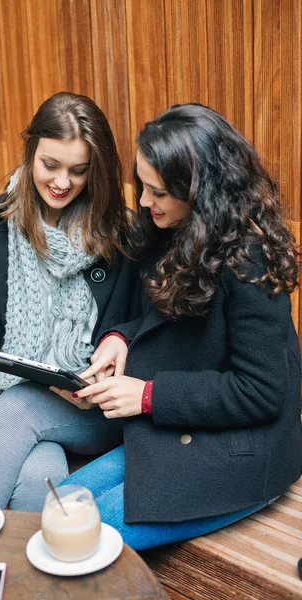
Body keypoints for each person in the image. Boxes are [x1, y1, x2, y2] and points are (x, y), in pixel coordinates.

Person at [62, 102, 302, 550]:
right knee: (56, 510)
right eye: (142, 186)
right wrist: (120, 338)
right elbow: (175, 319)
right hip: (186, 425)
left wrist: (148, 396)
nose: (143, 201)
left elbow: (262, 392)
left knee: (87, 537)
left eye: (157, 191)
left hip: (244, 446)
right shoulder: (178, 226)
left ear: (199, 191)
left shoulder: (250, 257)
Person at [0, 91, 141, 511]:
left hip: (90, 410)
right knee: (35, 483)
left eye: (79, 171)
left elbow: (148, 323)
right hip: (10, 393)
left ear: (96, 171)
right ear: (30, 152)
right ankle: (5, 576)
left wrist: (121, 339)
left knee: (14, 411)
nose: (62, 182)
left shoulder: (123, 236)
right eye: (50, 165)